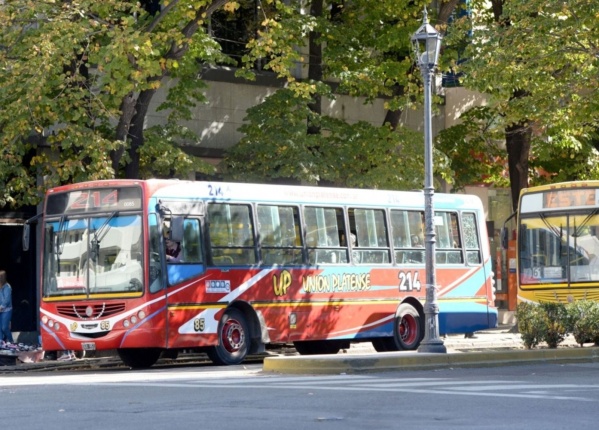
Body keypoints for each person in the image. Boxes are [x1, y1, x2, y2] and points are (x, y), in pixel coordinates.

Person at [0, 270, 14, 343]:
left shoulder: (7, 287)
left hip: (6, 310)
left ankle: (11, 340)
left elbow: (7, 300)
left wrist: (1, 307)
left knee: (4, 327)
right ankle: (1, 343)